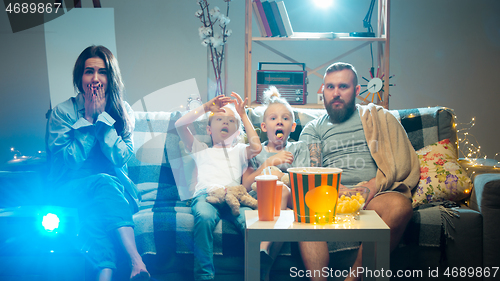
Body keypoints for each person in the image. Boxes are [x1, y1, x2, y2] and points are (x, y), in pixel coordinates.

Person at [298, 62, 420, 281]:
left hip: (373, 195)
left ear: (356, 91)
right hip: (329, 196)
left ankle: (354, 278)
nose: (335, 93)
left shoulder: (378, 117)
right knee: (304, 208)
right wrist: (333, 188)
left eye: (343, 87)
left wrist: (372, 185)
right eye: (330, 87)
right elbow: (308, 168)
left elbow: (402, 160)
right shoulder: (314, 128)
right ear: (323, 90)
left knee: (400, 207)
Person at [46, 45, 149, 281]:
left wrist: (104, 124)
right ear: (79, 77)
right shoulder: (62, 113)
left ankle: (105, 274)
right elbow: (68, 162)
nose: (95, 79)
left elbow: (123, 158)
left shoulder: (123, 111)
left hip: (115, 194)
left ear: (111, 77)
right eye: (88, 71)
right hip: (70, 189)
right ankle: (136, 260)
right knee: (102, 183)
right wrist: (88, 120)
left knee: (95, 217)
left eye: (102, 72)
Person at [175, 92, 262, 281]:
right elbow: (179, 125)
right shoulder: (201, 150)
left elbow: (256, 148)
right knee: (204, 217)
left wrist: (243, 115)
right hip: (207, 196)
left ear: (238, 133)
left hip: (234, 197)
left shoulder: (239, 150)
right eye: (220, 119)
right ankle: (204, 276)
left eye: (231, 121)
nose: (225, 122)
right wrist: (206, 107)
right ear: (208, 129)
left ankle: (254, 275)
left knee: (251, 223)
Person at [242, 86, 310, 281]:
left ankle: (264, 248)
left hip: (290, 199)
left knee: (283, 192)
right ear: (264, 127)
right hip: (261, 201)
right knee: (287, 216)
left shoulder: (298, 148)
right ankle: (266, 267)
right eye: (273, 118)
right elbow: (246, 184)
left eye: (285, 118)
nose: (279, 121)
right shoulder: (256, 151)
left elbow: (305, 185)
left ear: (293, 126)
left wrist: (282, 174)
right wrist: (269, 162)